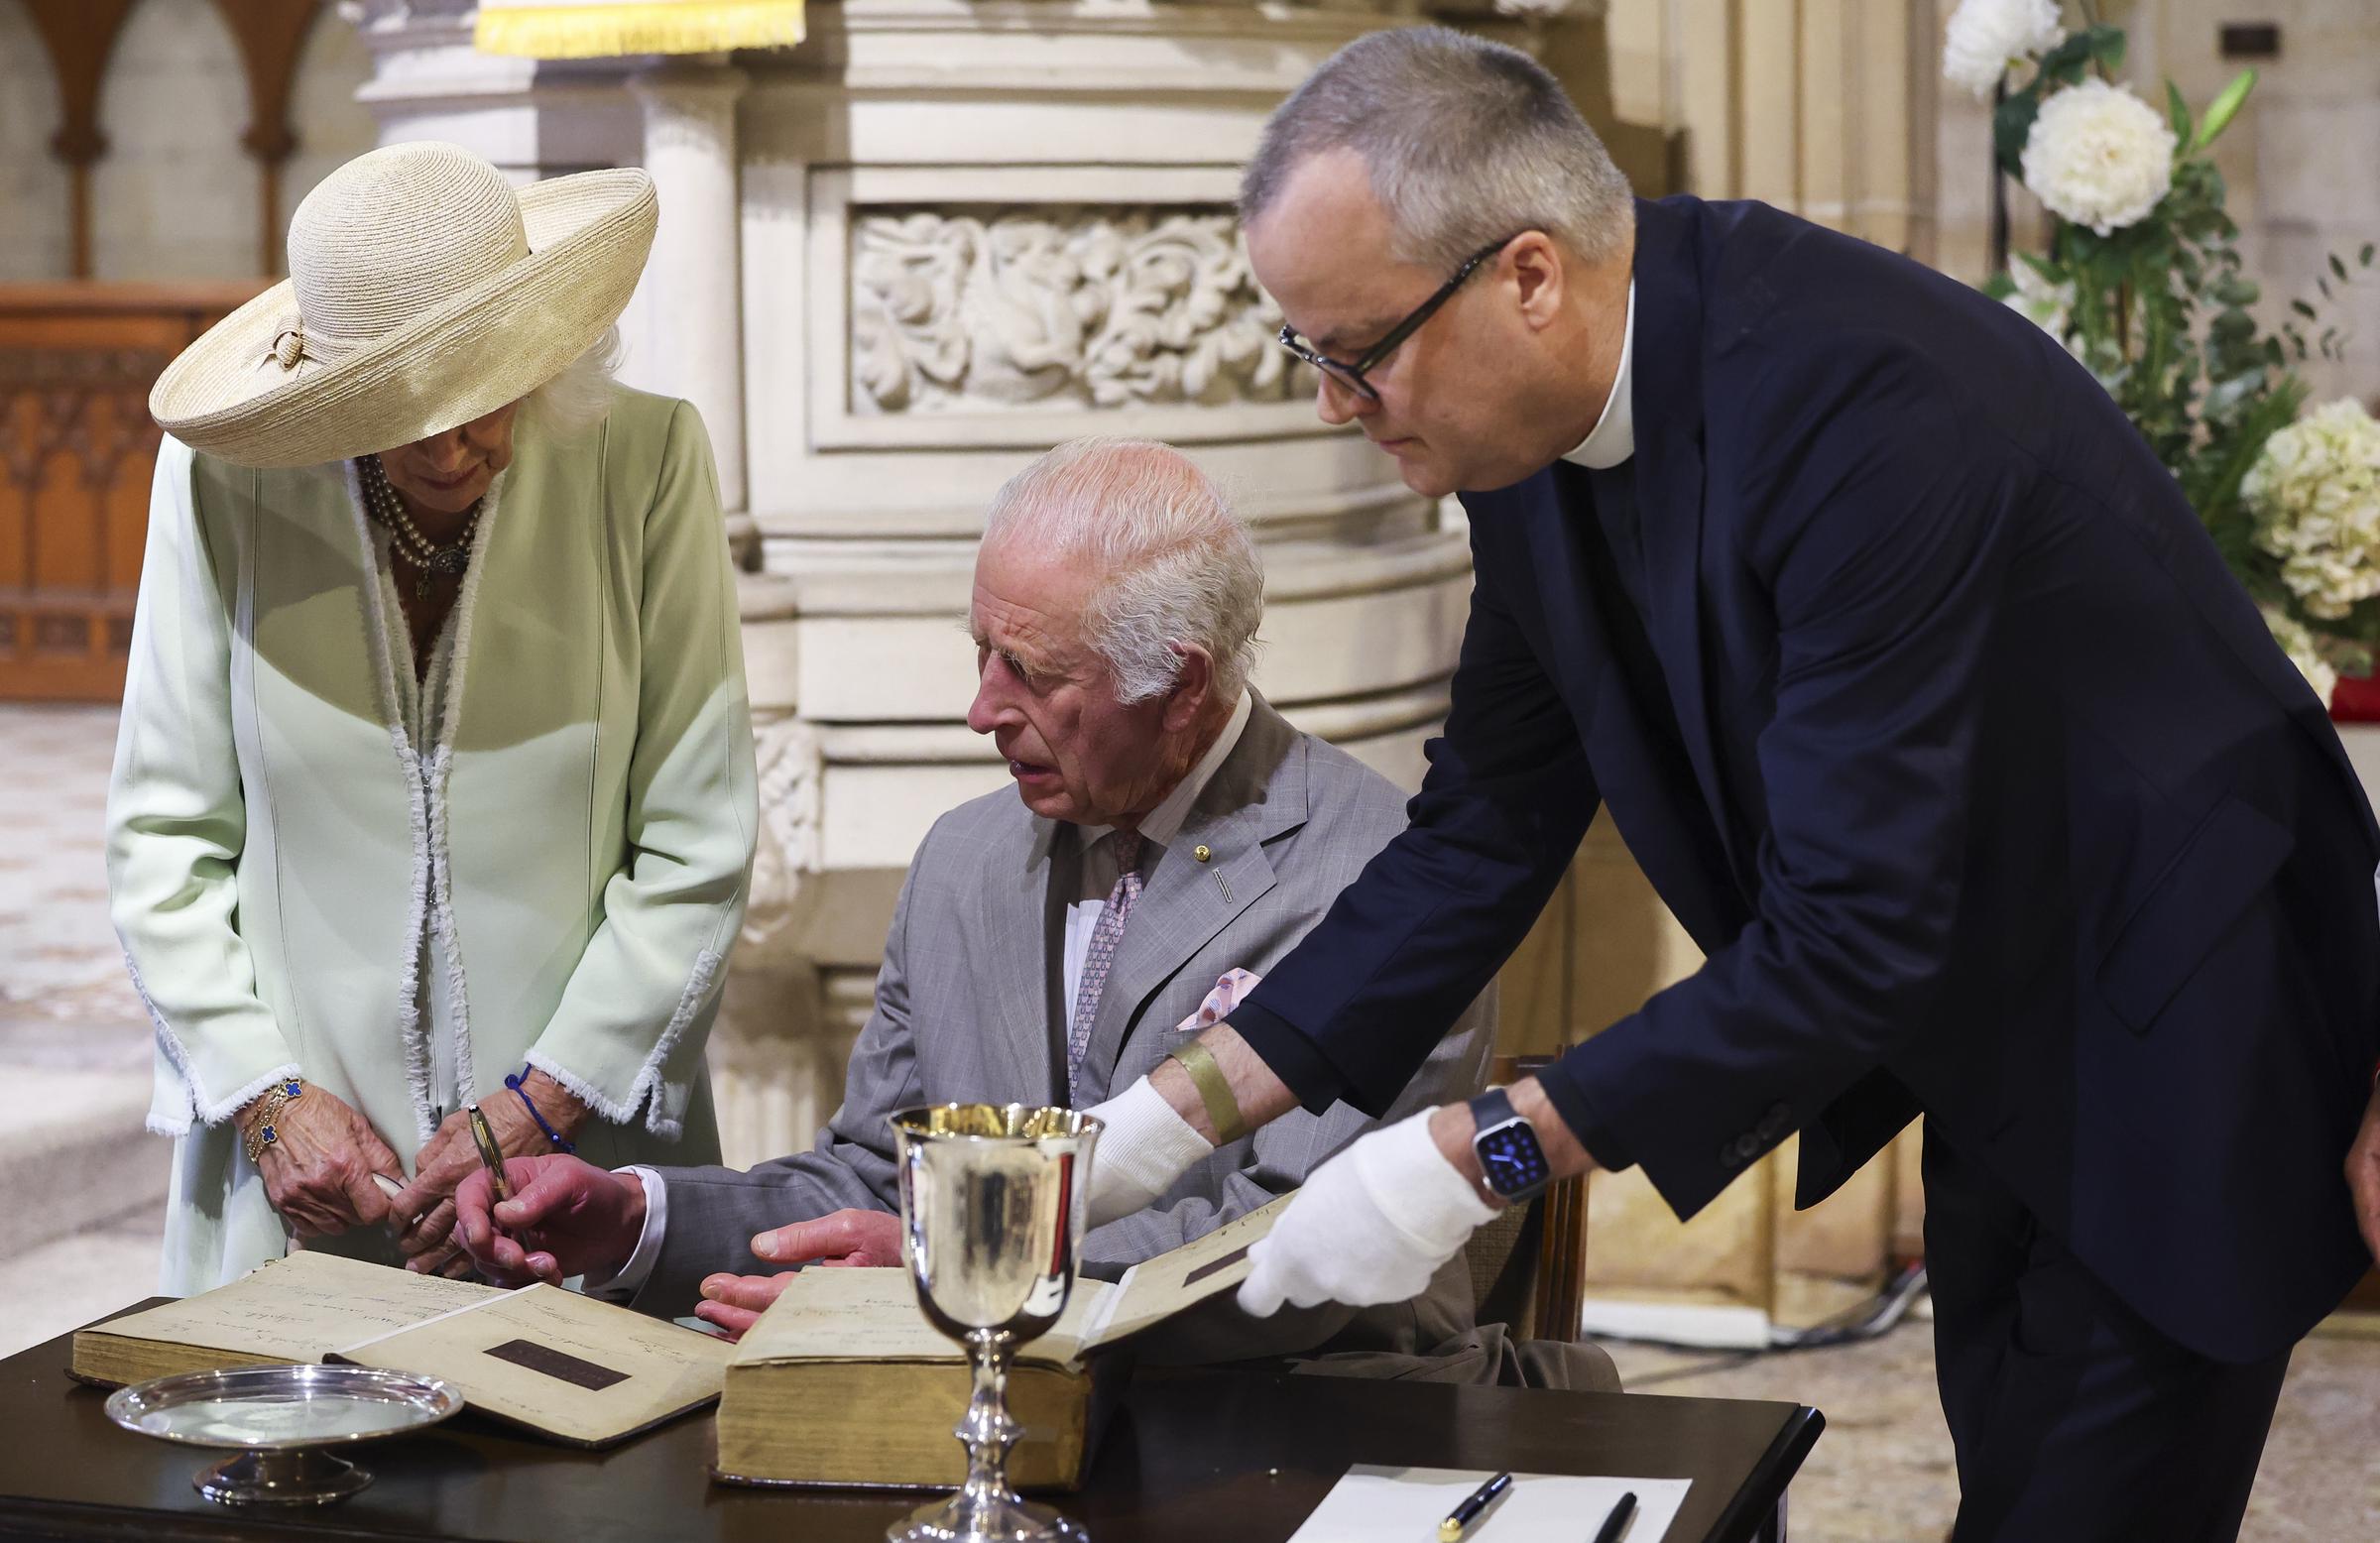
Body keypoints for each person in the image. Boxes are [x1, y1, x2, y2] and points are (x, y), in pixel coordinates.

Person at [1076, 29, 2380, 1540]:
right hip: (1992, 996)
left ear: (1529, 277)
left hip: (2182, 1010)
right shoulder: (1527, 437)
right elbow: (1485, 830)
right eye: (1309, 355)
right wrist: (1163, 1124)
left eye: (1355, 353)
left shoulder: (1866, 407)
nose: (1330, 404)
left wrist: (1474, 1158)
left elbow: (1847, 933)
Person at [452, 439, 1606, 1386]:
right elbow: (873, 1180)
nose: (979, 710)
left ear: (1182, 684)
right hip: (981, 1418)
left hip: (1285, 1425)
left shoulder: (1382, 874)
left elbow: (1290, 1240)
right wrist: (635, 1217)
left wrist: (945, 1262)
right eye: (981, 653)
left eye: (1033, 671)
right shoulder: (962, 859)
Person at [110, 141, 759, 1293]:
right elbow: (164, 836)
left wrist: (546, 1101)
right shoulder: (222, 483)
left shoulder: (646, 460)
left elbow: (696, 840)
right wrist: (267, 1100)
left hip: (572, 1183)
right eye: (399, 409)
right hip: (306, 1192)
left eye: (478, 393)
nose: (450, 446)